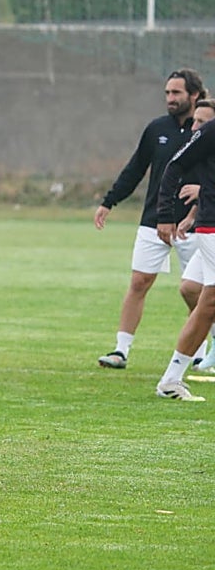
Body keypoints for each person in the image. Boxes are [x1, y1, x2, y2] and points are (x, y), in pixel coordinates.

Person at [94, 68, 205, 370]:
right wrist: (110, 201)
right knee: (139, 282)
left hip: (195, 222)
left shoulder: (205, 130)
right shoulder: (157, 129)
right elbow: (136, 168)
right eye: (167, 93)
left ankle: (200, 352)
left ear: (194, 95)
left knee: (195, 289)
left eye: (176, 93)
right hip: (154, 219)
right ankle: (120, 350)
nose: (170, 98)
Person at [153, 97, 215, 401]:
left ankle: (172, 378)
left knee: (201, 295)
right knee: (209, 299)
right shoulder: (210, 132)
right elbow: (175, 165)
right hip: (213, 227)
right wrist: (165, 214)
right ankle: (170, 379)